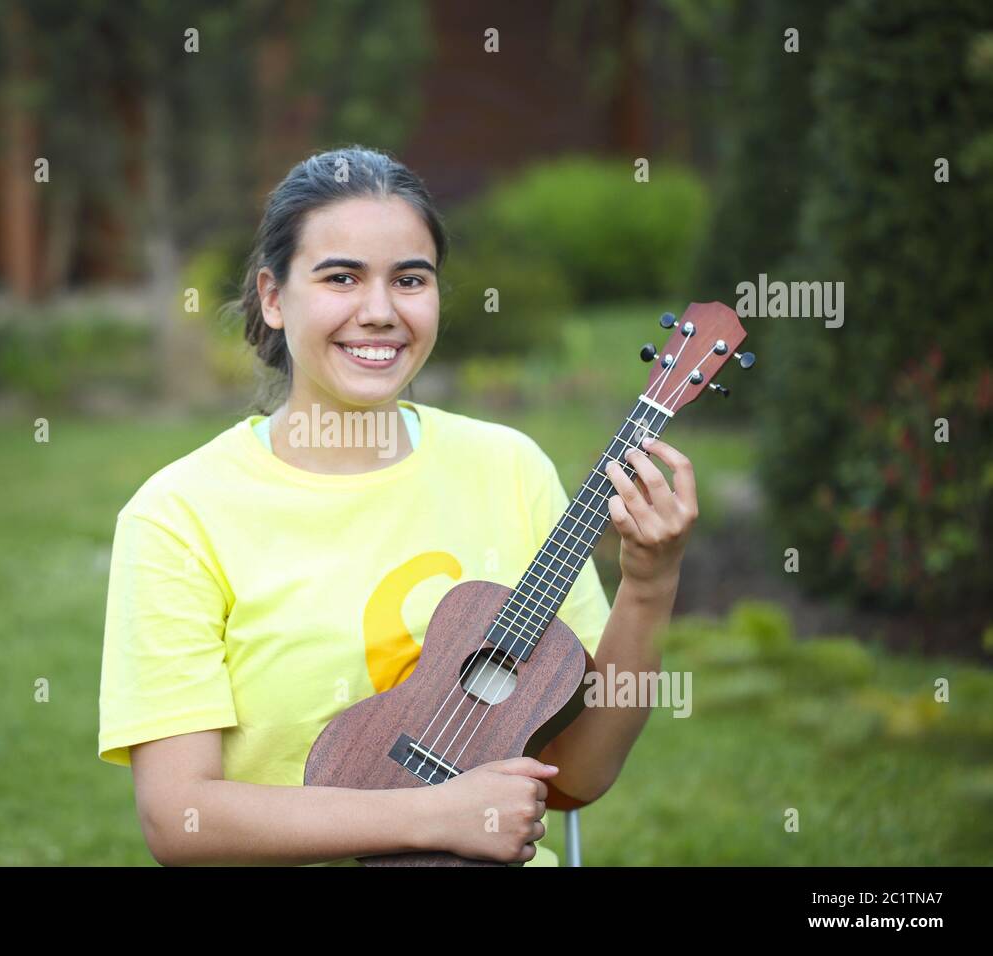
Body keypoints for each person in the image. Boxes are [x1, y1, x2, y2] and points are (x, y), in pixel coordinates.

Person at [98, 145, 698, 866]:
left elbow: (576, 775)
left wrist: (651, 583)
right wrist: (430, 815)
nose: (379, 312)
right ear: (273, 297)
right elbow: (179, 817)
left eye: (409, 279)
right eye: (341, 277)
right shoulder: (179, 515)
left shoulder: (509, 467)